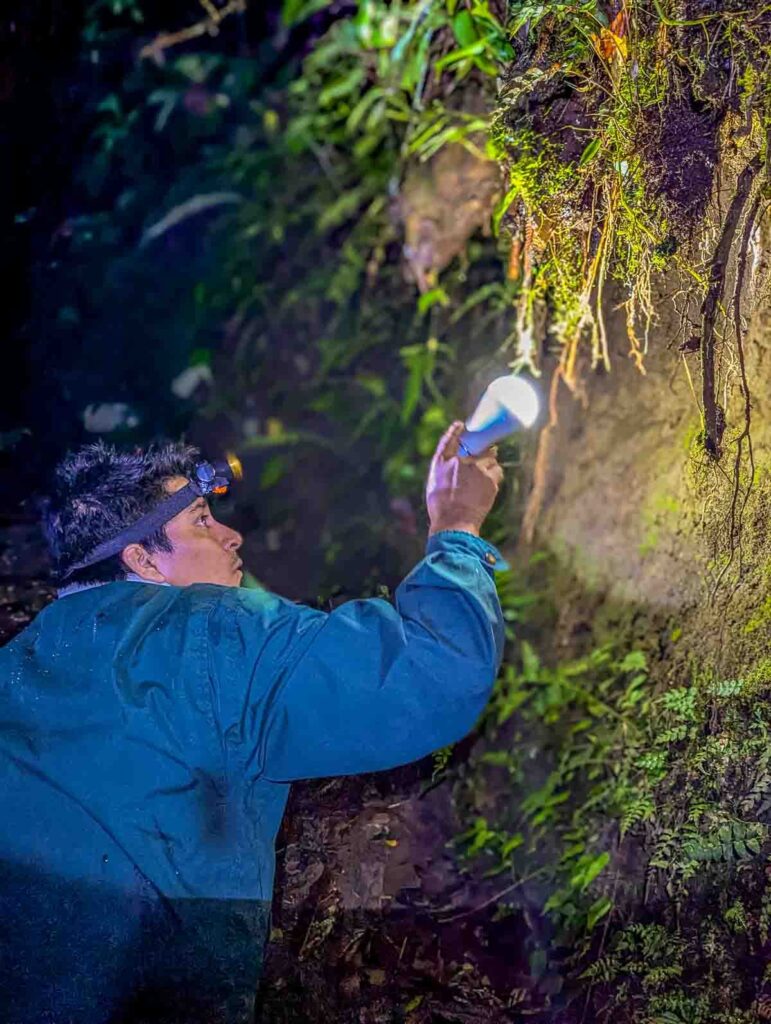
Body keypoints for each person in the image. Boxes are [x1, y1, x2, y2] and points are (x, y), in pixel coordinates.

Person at [0, 420, 509, 1024]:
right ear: (142, 558)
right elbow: (435, 666)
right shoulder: (209, 634)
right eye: (201, 523)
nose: (232, 535)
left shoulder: (14, 668)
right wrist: (456, 527)